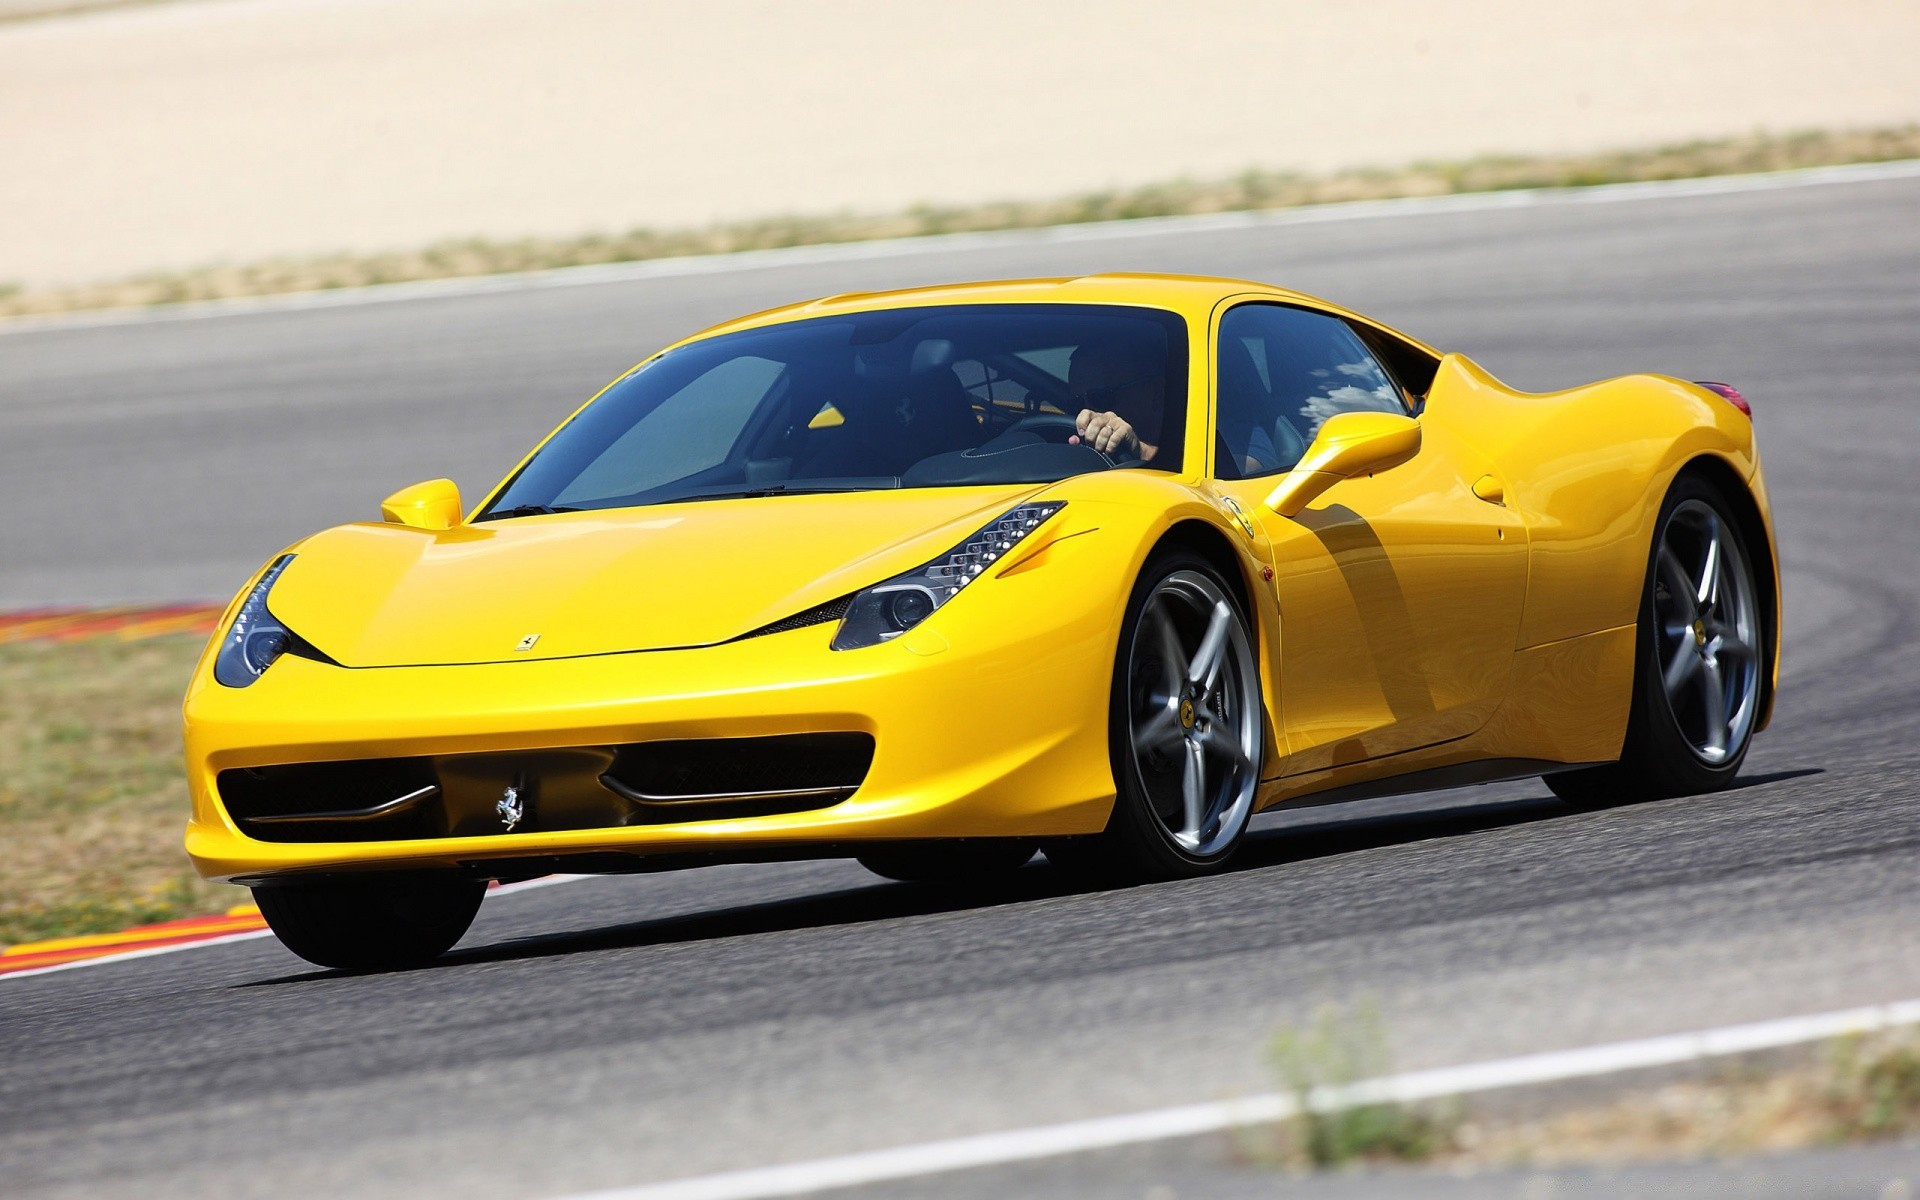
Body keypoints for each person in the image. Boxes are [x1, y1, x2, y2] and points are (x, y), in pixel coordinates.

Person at [1066, 334, 1165, 462]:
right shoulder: (1074, 442)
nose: (1087, 413)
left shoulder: (1196, 438)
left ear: (1157, 394)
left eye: (1100, 397)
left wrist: (1140, 451)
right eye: (1077, 404)